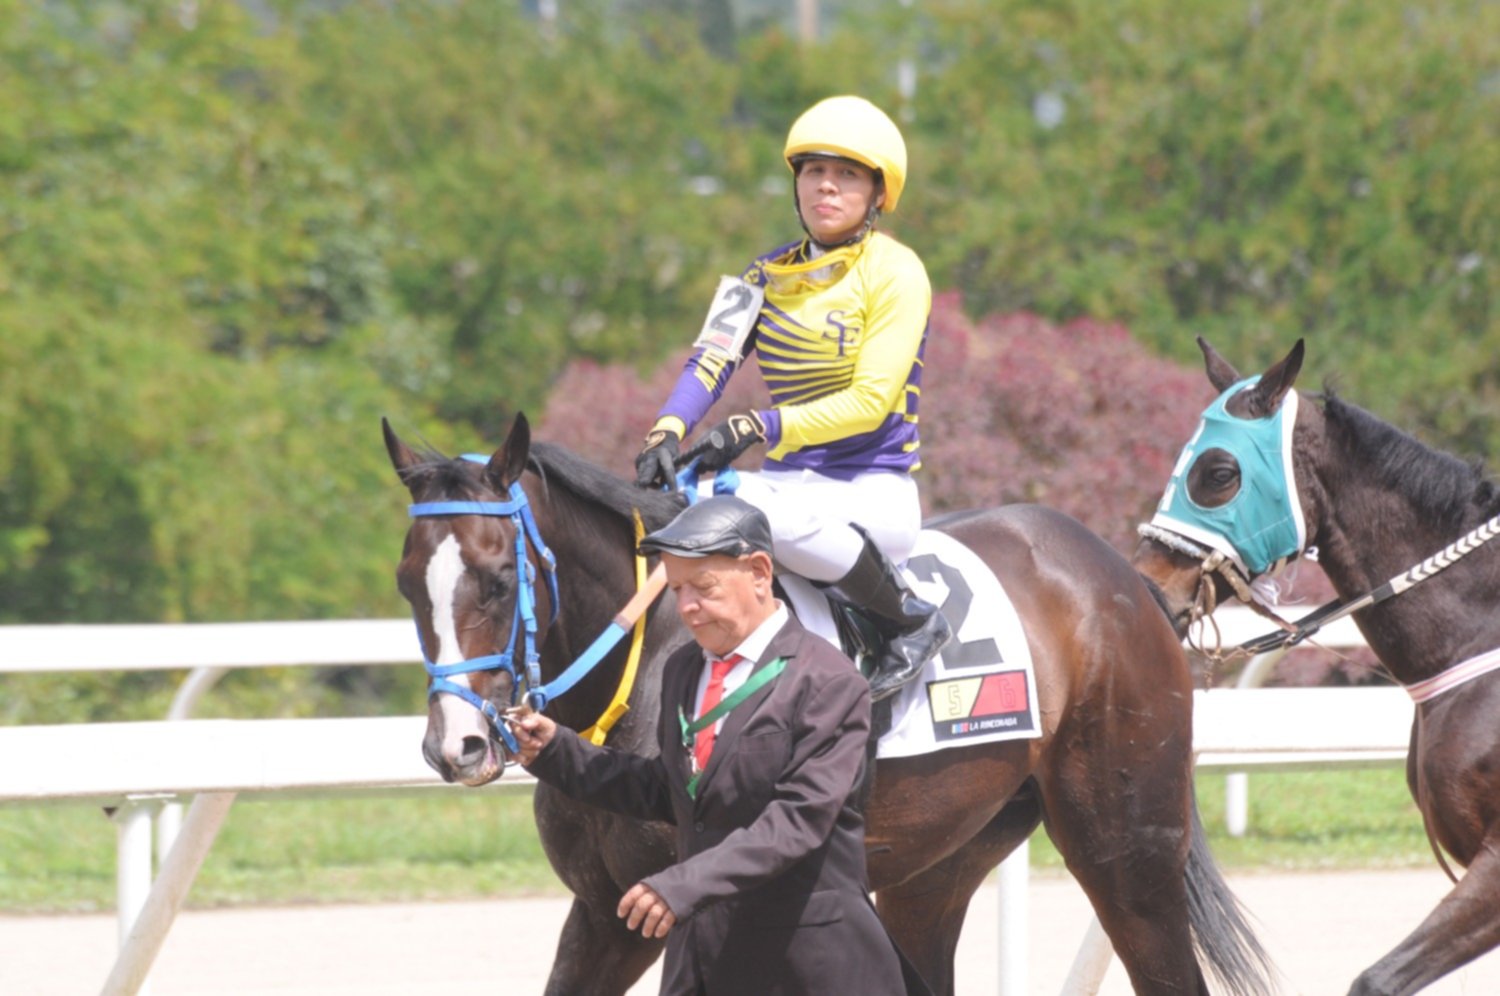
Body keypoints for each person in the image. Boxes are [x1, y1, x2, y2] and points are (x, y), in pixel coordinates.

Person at [510, 496, 924, 996]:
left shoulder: (830, 682)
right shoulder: (683, 668)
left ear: (758, 572)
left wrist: (680, 883)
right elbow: (670, 790)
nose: (686, 606)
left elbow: (797, 821)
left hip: (811, 966)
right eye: (678, 588)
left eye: (702, 588)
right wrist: (556, 751)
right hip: (703, 959)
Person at [632, 94, 951, 702]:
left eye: (847, 174)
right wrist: (667, 430)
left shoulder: (898, 271)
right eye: (813, 172)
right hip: (788, 487)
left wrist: (756, 427)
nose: (825, 187)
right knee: (682, 500)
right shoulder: (760, 274)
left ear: (878, 193)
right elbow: (711, 359)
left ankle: (910, 619)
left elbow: (871, 401)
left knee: (744, 510)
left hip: (870, 493)